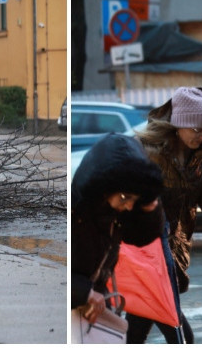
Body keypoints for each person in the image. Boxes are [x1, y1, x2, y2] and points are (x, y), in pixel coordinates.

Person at [129, 86, 202, 344]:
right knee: (180, 335)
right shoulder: (147, 151)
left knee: (136, 329)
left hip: (173, 255)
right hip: (146, 255)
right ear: (178, 125)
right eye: (196, 129)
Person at [71, 133, 165, 328]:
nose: (130, 206)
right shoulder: (77, 210)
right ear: (105, 188)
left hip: (95, 300)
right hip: (79, 303)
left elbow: (138, 237)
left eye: (135, 199)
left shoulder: (114, 211)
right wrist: (85, 293)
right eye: (125, 197)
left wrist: (150, 210)